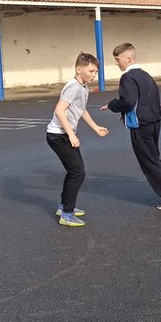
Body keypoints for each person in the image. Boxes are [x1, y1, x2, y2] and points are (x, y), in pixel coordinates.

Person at [107, 43, 161, 211]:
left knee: (148, 161)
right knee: (154, 157)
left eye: (118, 60)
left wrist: (112, 105)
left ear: (128, 59)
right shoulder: (146, 75)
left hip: (141, 124)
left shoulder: (128, 77)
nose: (117, 63)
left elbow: (128, 101)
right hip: (155, 121)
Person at [45, 52, 109, 228]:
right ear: (79, 69)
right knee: (77, 172)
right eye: (90, 71)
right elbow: (59, 110)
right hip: (58, 135)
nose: (93, 75)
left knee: (74, 171)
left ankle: (64, 206)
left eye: (95, 72)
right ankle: (67, 213)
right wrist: (71, 134)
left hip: (64, 134)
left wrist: (96, 127)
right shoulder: (73, 86)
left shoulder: (83, 87)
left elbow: (81, 110)